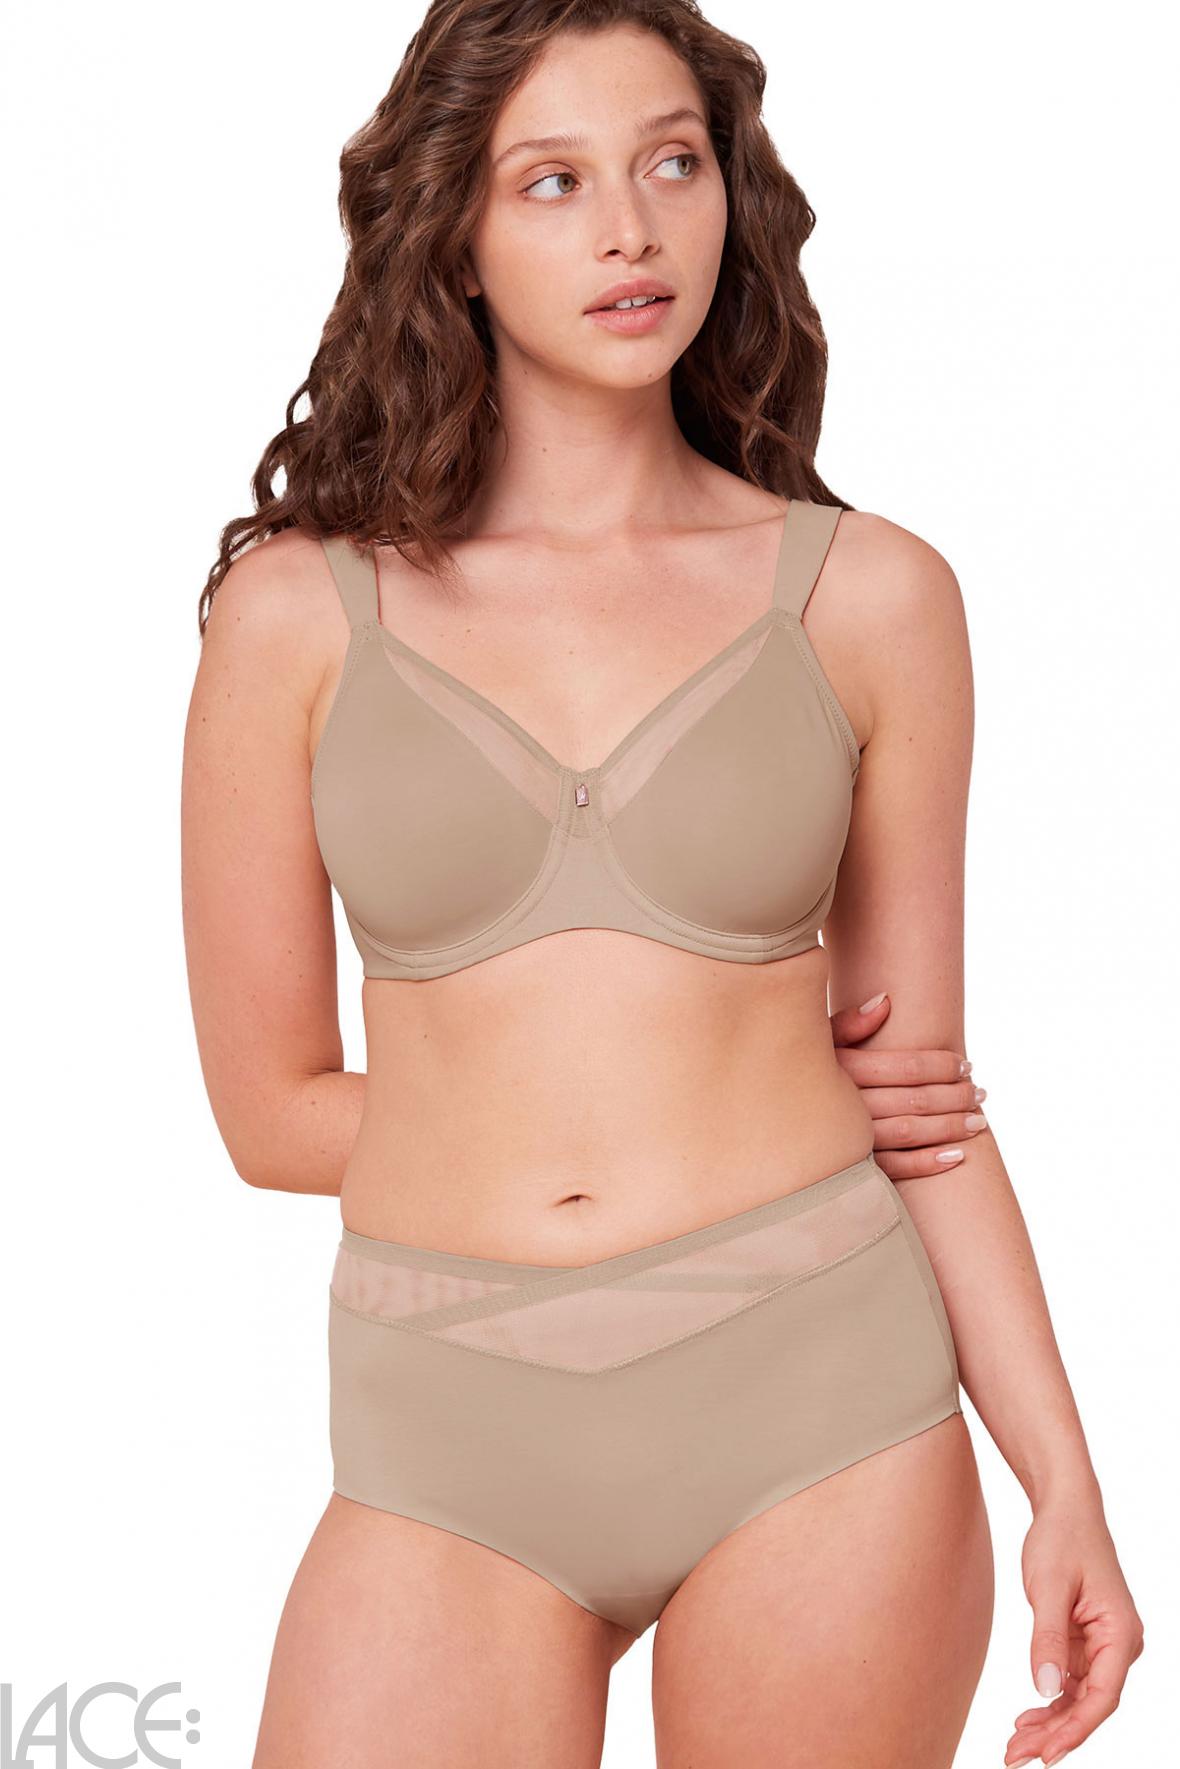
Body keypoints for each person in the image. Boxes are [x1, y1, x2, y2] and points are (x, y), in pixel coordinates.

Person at [181, 3, 1143, 1764]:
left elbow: (922, 1105)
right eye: (553, 182)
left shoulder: (871, 599)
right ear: (455, 236)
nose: (630, 229)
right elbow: (267, 1110)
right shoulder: (297, 617)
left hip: (820, 1399)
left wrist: (1064, 1476)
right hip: (445, 1431)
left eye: (672, 164)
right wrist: (656, 1098)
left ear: (727, 195)